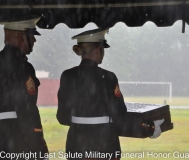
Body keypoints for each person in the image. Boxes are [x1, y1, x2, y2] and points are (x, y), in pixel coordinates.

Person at [57, 28, 164, 160]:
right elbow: (120, 118)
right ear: (99, 49)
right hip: (104, 145)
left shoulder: (67, 76)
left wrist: (83, 122)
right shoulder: (107, 77)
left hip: (76, 146)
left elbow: (62, 117)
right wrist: (150, 127)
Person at [0, 16, 48, 159]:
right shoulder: (23, 67)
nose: (34, 40)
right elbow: (26, 111)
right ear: (21, 37)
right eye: (32, 35)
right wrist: (38, 148)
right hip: (16, 140)